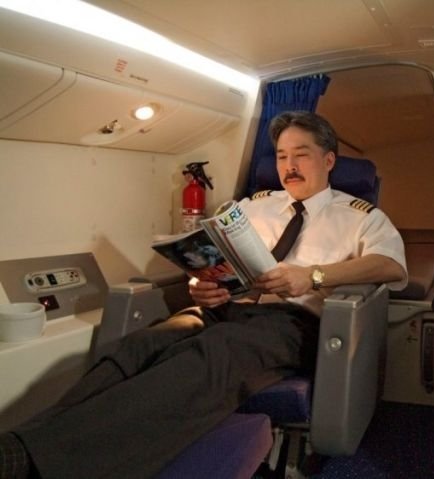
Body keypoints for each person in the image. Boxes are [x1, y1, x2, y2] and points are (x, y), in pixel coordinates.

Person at [0, 111, 407, 479]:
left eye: (301, 155)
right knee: (139, 346)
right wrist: (202, 284)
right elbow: (216, 256)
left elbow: (391, 266)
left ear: (329, 160)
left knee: (214, 351)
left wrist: (314, 276)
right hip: (224, 308)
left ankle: (39, 462)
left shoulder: (358, 216)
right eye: (282, 157)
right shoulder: (254, 206)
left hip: (291, 324)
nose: (289, 166)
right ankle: (18, 445)